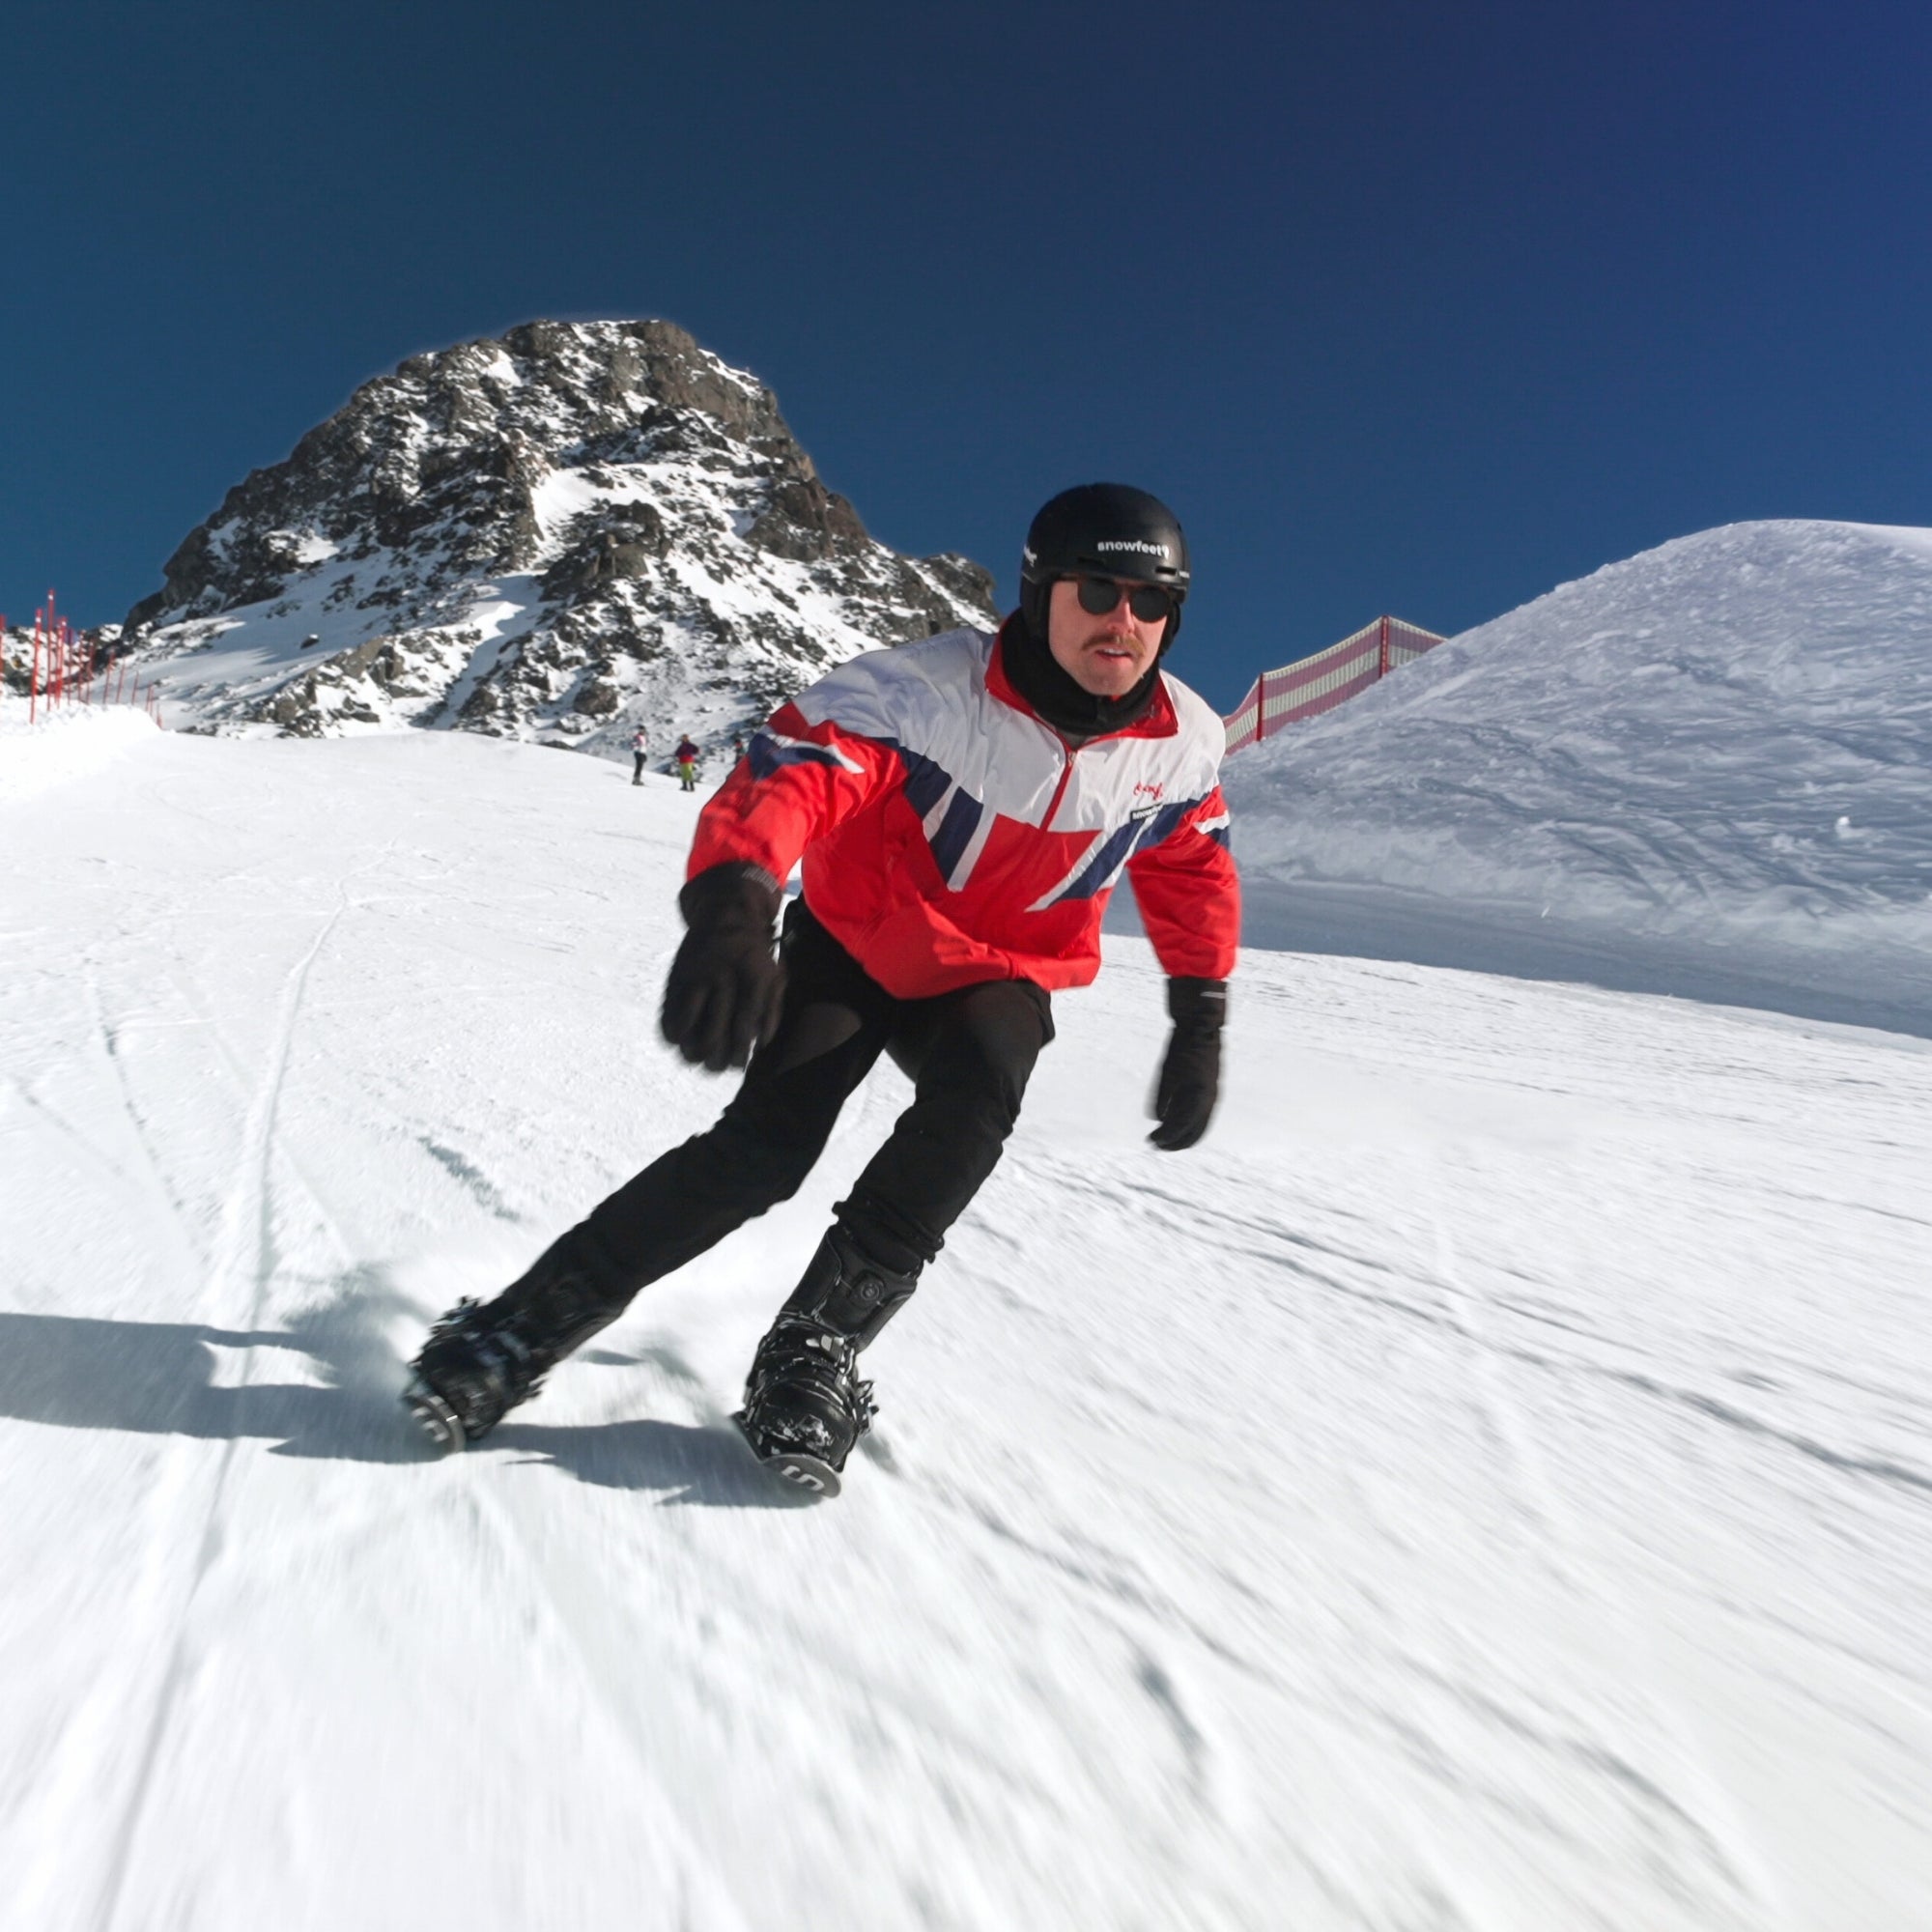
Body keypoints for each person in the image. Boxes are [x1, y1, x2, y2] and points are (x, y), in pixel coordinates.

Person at [404, 484, 1239, 1492]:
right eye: (1097, 588)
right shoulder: (925, 692)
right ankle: (521, 1325)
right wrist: (733, 906)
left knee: (979, 1093)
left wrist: (1199, 1011)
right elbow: (796, 770)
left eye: (1150, 602)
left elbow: (1191, 865)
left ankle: (814, 1348)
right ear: (1037, 591)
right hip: (856, 938)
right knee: (762, 1152)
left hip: (1000, 968)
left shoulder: (1183, 744)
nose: (1123, 619)